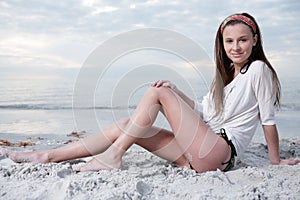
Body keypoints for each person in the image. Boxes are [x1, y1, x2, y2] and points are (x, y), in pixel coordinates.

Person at [1, 13, 299, 173]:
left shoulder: (258, 70)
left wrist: (275, 160)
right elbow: (204, 114)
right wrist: (176, 90)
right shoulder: (226, 80)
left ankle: (113, 157)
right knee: (128, 126)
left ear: (255, 40)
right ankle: (49, 155)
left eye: (243, 40)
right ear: (222, 45)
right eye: (229, 41)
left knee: (155, 98)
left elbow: (268, 120)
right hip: (196, 156)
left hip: (220, 155)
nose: (236, 47)